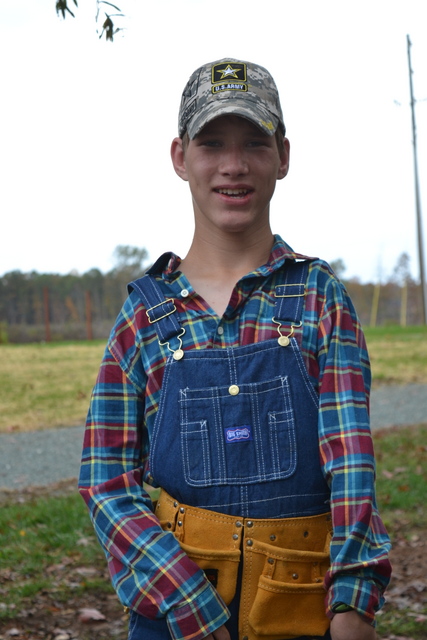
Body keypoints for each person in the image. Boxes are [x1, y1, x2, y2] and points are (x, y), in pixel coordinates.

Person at [78, 58, 392, 640]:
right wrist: (188, 603)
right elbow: (106, 481)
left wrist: (353, 597)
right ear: (180, 157)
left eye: (254, 142)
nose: (234, 165)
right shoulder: (144, 316)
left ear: (283, 156)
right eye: (212, 143)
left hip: (304, 609)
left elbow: (351, 463)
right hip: (174, 618)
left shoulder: (320, 297)